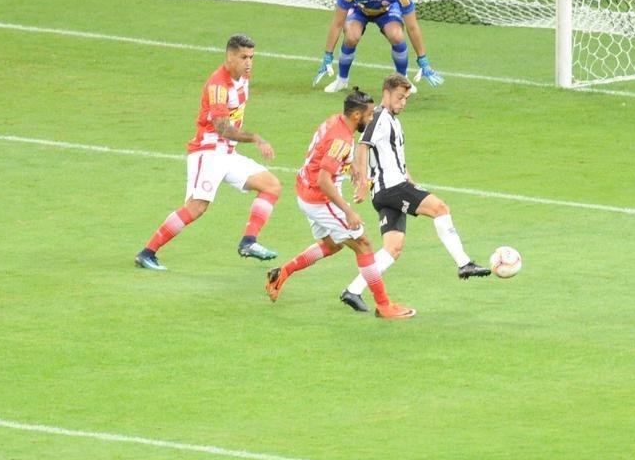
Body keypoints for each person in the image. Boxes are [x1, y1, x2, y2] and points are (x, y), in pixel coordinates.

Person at [338, 73, 489, 312]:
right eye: (399, 97)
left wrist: (411, 182)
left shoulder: (393, 121)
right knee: (440, 208)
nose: (403, 103)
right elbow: (363, 146)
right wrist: (363, 182)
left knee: (393, 248)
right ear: (386, 93)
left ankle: (353, 290)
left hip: (390, 189)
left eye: (406, 98)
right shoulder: (378, 117)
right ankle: (464, 263)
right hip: (391, 187)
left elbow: (396, 159)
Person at [265, 88, 416, 320]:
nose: (371, 119)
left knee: (332, 245)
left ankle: (281, 274)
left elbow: (324, 152)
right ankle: (384, 306)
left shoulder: (336, 121)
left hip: (304, 191)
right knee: (363, 244)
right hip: (320, 198)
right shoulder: (342, 140)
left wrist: (352, 167)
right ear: (356, 115)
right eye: (369, 115)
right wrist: (348, 212)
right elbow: (323, 180)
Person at [135, 33, 281, 270]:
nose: (248, 63)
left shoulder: (243, 77)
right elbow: (222, 128)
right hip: (209, 152)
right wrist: (255, 137)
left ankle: (248, 242)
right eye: (243, 57)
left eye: (251, 57)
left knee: (272, 186)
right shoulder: (218, 85)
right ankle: (147, 253)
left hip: (227, 153)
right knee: (196, 208)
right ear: (230, 56)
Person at [313, 0, 443, 93]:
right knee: (351, 36)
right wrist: (328, 55)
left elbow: (412, 27)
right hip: (360, 9)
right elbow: (337, 23)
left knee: (397, 36)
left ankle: (402, 81)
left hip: (386, 10)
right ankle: (342, 80)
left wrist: (423, 61)